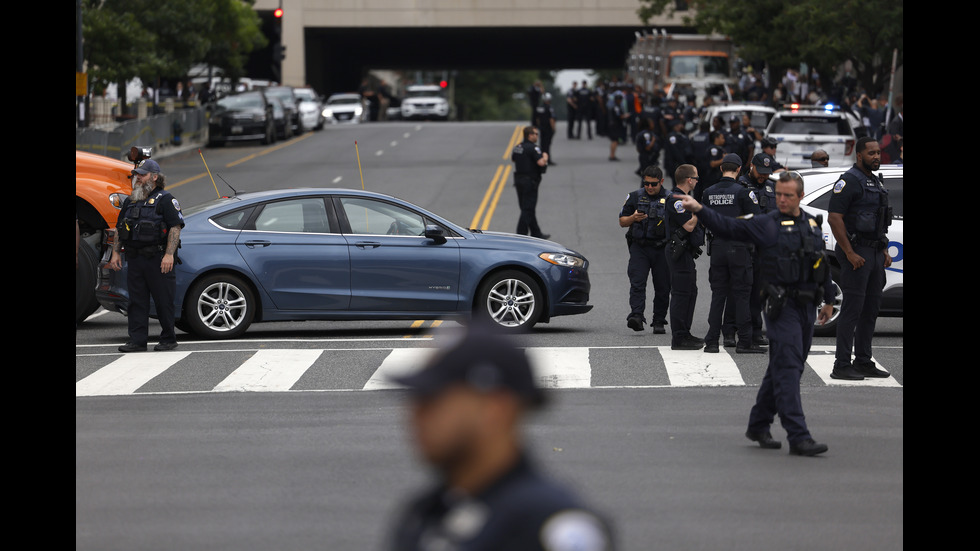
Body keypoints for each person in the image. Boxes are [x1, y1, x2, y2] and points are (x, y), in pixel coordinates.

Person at [385, 327, 616, 550]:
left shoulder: (551, 528)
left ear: (495, 409)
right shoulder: (424, 514)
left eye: (431, 400)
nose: (414, 414)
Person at [675, 171, 835, 456]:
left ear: (800, 196)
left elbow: (819, 262)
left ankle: (758, 424)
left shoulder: (811, 223)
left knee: (788, 367)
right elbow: (727, 227)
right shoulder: (766, 224)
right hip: (780, 307)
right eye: (778, 195)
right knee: (787, 369)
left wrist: (829, 299)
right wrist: (700, 209)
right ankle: (799, 436)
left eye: (788, 195)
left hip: (806, 307)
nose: (782, 200)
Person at [827, 137, 893, 380]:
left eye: (878, 153)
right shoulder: (849, 181)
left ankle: (863, 360)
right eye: (871, 153)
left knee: (871, 309)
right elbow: (835, 218)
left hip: (875, 253)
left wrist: (884, 249)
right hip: (857, 253)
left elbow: (879, 220)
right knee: (852, 310)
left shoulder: (875, 181)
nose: (876, 157)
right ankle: (841, 364)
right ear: (859, 155)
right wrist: (849, 252)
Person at [107, 159, 185, 353]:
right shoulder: (131, 200)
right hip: (135, 259)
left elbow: (175, 228)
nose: (137, 178)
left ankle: (168, 338)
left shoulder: (166, 200)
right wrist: (115, 252)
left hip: (158, 259)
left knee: (163, 300)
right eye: (136, 175)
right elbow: (120, 228)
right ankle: (137, 340)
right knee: (136, 301)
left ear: (155, 177)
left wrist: (169, 255)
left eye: (142, 174)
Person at [702, 154, 763, 354]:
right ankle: (744, 341)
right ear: (738, 170)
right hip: (739, 248)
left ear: (721, 169)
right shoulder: (744, 193)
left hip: (718, 248)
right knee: (742, 295)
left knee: (718, 294)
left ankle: (711, 341)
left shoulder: (708, 192)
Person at [620, 166, 671, 334]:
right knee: (637, 282)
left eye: (654, 184)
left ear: (661, 181)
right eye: (647, 183)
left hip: (662, 248)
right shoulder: (634, 196)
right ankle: (636, 316)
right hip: (639, 247)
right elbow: (622, 221)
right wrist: (633, 218)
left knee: (663, 286)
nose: (649, 187)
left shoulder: (670, 198)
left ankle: (659, 320)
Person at [664, 164, 705, 350]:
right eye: (696, 178)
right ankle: (679, 338)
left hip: (686, 252)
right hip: (678, 252)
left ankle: (685, 333)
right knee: (681, 294)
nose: (697, 181)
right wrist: (699, 211)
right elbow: (688, 226)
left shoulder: (686, 199)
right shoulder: (677, 200)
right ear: (689, 180)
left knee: (690, 292)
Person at [511, 126, 550, 239]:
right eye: (535, 134)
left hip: (519, 180)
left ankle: (536, 232)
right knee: (527, 208)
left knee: (527, 207)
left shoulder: (518, 147)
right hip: (530, 182)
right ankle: (520, 235)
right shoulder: (533, 148)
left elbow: (513, 159)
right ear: (529, 135)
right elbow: (541, 163)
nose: (537, 136)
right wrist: (545, 157)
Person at [663, 118, 693, 187]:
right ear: (675, 126)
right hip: (675, 164)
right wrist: (683, 162)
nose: (681, 126)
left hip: (678, 164)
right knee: (677, 184)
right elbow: (675, 152)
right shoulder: (672, 137)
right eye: (679, 125)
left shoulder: (680, 135)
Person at [532, 93, 557, 166]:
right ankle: (547, 160)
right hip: (548, 129)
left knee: (542, 144)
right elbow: (551, 119)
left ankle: (540, 158)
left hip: (542, 128)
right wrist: (553, 129)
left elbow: (537, 119)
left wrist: (539, 127)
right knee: (547, 145)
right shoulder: (549, 108)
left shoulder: (539, 107)